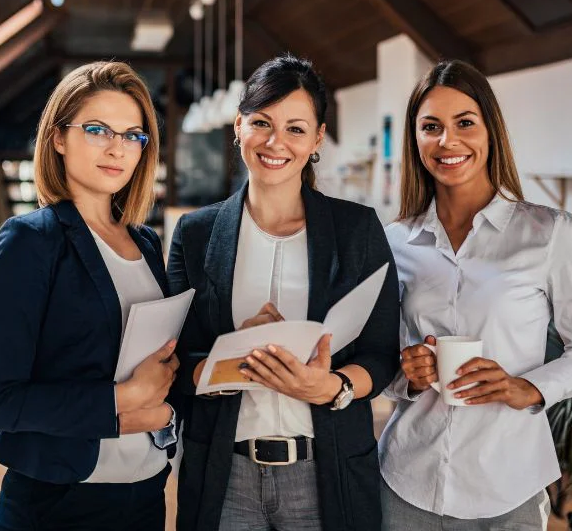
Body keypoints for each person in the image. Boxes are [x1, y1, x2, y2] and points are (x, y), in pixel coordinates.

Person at [379, 59, 572, 530]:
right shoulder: (395, 241)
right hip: (407, 479)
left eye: (464, 123)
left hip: (510, 483)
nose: (448, 141)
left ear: (490, 130)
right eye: (431, 127)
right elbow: (379, 359)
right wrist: (409, 374)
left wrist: (526, 388)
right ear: (415, 139)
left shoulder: (548, 233)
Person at [169, 55, 400, 531]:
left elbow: (381, 354)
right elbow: (171, 363)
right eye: (261, 123)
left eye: (296, 129)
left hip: (326, 469)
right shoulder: (195, 233)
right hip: (224, 471)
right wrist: (228, 356)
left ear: (317, 139)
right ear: (238, 126)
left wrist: (332, 387)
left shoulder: (357, 230)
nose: (276, 143)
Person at [0, 61, 180, 530]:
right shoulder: (30, 241)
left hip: (146, 492)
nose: (117, 148)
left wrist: (165, 410)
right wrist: (120, 402)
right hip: (60, 502)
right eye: (97, 130)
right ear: (59, 138)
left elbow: (158, 361)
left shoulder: (145, 241)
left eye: (133, 135)